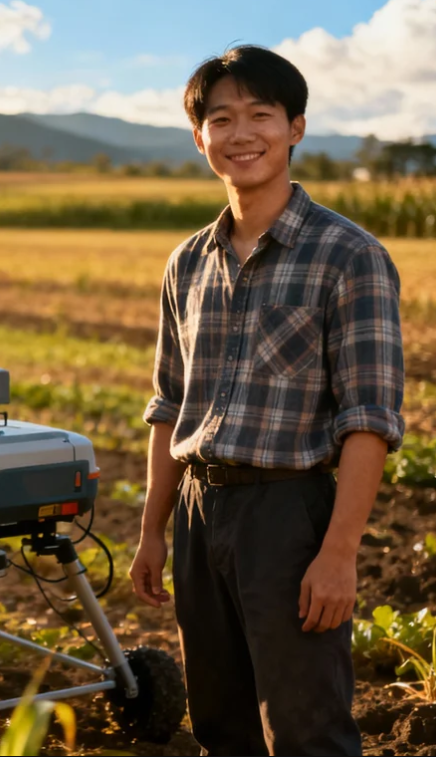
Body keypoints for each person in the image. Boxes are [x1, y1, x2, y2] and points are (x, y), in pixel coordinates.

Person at [128, 45, 405, 757]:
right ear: (200, 138)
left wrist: (339, 552)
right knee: (221, 725)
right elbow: (168, 404)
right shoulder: (187, 261)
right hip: (197, 511)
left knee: (304, 728)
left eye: (260, 114)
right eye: (220, 118)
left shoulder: (348, 255)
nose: (240, 133)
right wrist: (153, 529)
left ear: (295, 128)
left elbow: (367, 419)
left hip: (288, 517)